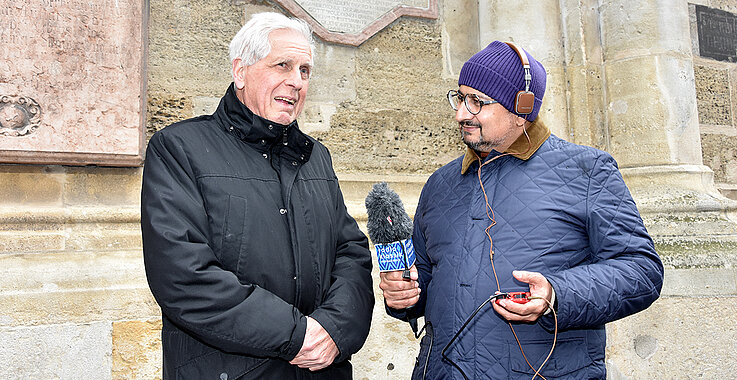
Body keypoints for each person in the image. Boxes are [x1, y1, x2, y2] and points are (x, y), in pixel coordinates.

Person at [379, 40, 664, 379]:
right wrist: (404, 294)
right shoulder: (439, 184)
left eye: (477, 102)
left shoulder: (589, 171)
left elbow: (642, 271)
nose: (460, 114)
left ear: (521, 110)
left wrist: (558, 294)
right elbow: (425, 281)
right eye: (459, 98)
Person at [141, 12, 373, 379]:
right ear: (241, 71)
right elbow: (182, 273)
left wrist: (335, 330)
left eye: (305, 71)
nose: (295, 82)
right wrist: (296, 335)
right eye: (283, 65)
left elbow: (350, 253)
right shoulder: (179, 148)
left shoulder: (317, 157)